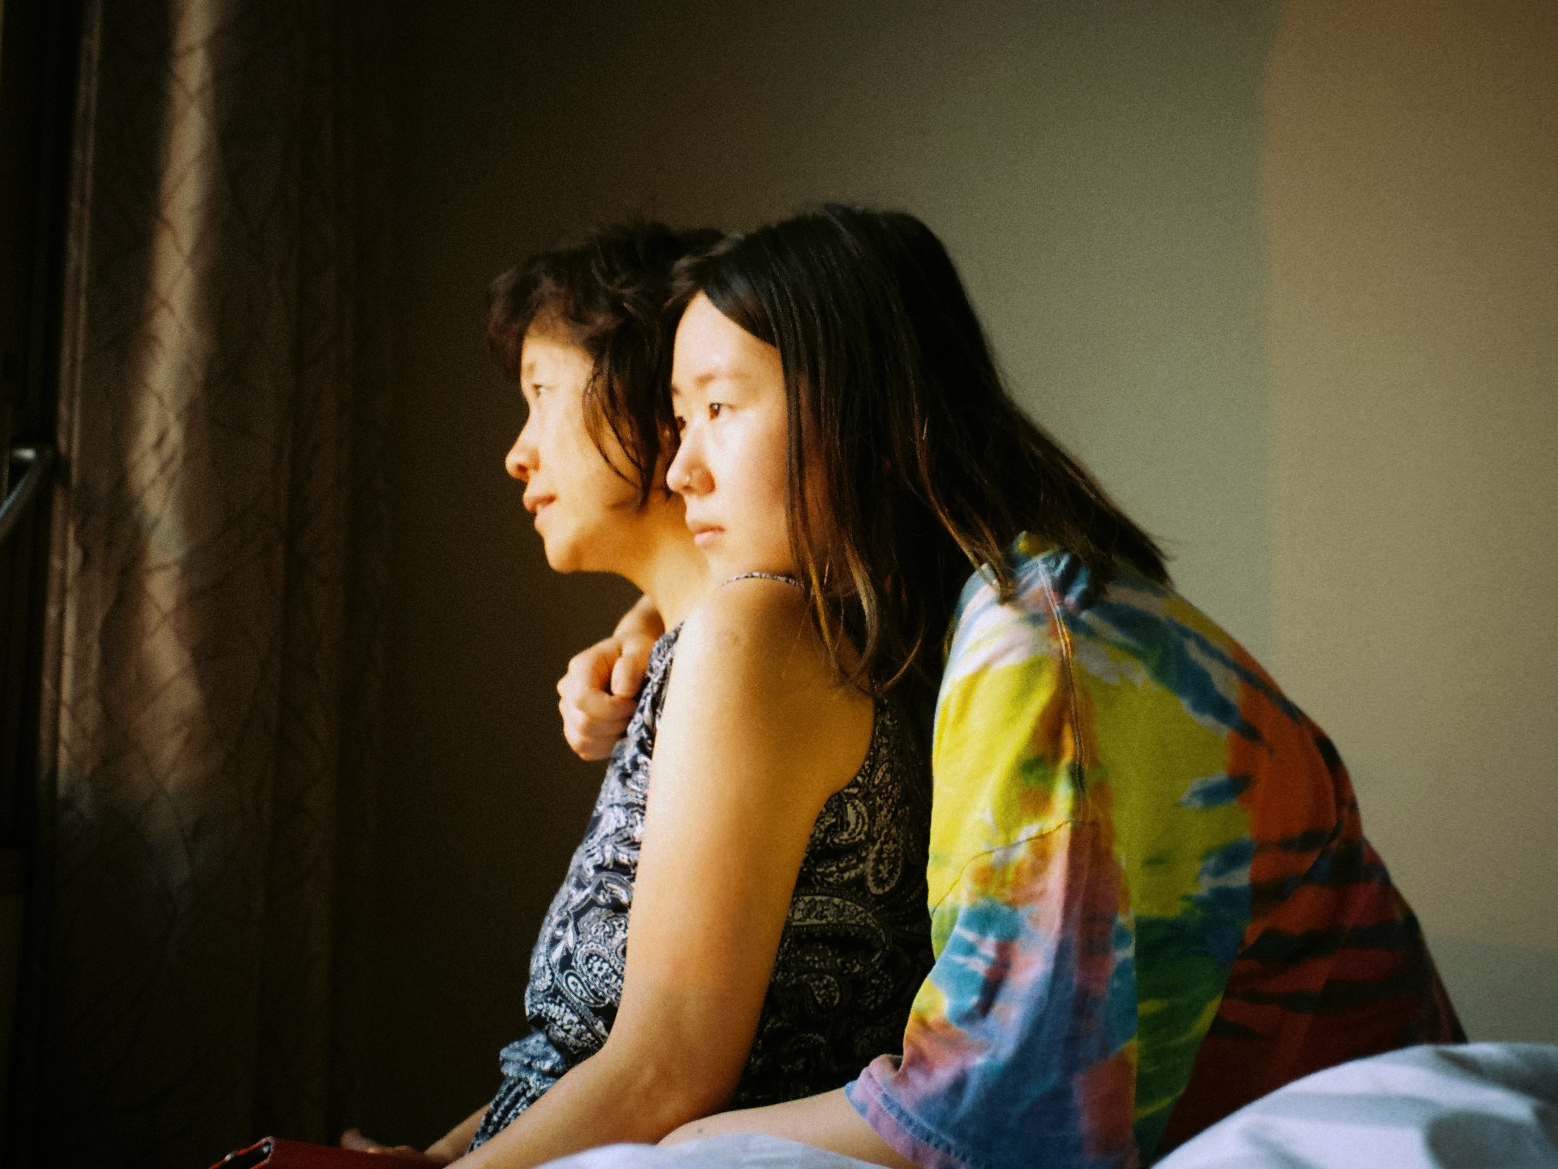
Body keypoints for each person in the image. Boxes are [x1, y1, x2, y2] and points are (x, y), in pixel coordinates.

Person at [557, 205, 1464, 1169]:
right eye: (680, 420)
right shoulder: (982, 619)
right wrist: (644, 630)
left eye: (720, 409)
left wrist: (689, 1138)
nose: (683, 466)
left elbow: (990, 1115)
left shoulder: (1041, 656)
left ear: (857, 404)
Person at [344, 221, 933, 1166]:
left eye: (541, 395)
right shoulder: (704, 646)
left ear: (643, 401)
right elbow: (566, 1060)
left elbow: (661, 1070)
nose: (516, 453)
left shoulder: (754, 638)